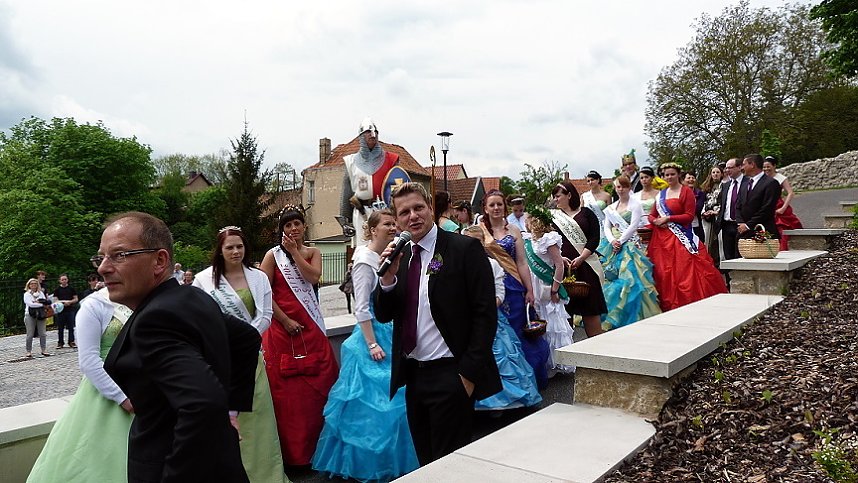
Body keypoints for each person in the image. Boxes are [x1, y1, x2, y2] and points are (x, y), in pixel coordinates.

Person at [99, 211, 261, 483]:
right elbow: (247, 338)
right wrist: (231, 414)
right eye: (101, 257)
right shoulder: (191, 297)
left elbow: (203, 405)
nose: (103, 267)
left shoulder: (155, 319)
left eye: (119, 255)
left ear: (159, 260)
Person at [376, 182, 501, 466]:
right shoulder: (401, 255)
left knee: (448, 467)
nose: (413, 216)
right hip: (414, 378)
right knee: (426, 464)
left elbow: (485, 315)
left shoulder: (463, 248)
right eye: (404, 212)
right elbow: (384, 314)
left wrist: (467, 375)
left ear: (431, 208)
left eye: (418, 208)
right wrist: (387, 280)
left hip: (451, 375)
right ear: (397, 220)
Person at [313, 210, 419, 481]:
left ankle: (394, 459)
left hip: (388, 329)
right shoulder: (363, 261)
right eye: (387, 224)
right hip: (372, 335)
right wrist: (372, 344)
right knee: (377, 403)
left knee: (394, 399)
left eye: (394, 223)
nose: (393, 227)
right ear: (372, 230)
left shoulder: (389, 254)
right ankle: (367, 464)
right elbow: (361, 308)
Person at [193, 226, 289, 483]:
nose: (235, 251)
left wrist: (246, 338)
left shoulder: (258, 278)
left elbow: (267, 315)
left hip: (251, 358)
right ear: (220, 250)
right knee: (224, 420)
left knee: (257, 420)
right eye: (229, 247)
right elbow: (200, 319)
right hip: (219, 359)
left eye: (239, 246)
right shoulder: (203, 281)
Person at [27, 289, 134, 482]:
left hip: (141, 388)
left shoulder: (143, 298)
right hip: (106, 392)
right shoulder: (95, 304)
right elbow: (88, 362)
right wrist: (122, 398)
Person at [261, 206, 339, 468]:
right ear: (281, 229)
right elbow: (263, 293)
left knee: (322, 383)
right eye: (287, 225)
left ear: (304, 226)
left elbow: (313, 277)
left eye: (297, 224)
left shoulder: (312, 252)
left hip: (311, 326)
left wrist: (294, 252)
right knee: (288, 396)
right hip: (282, 330)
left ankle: (320, 450)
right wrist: (284, 320)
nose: (293, 229)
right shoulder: (272, 256)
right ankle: (294, 456)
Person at [463, 225, 542, 410]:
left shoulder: (493, 264)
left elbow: (499, 292)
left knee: (503, 356)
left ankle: (504, 403)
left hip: (491, 318)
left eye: (477, 242)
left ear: (484, 243)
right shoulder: (459, 264)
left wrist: (483, 309)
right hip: (467, 319)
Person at [479, 189, 549, 389]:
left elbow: (522, 262)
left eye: (499, 204)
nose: (496, 208)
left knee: (520, 332)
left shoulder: (514, 231)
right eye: (491, 205)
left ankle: (527, 381)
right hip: (491, 287)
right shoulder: (480, 231)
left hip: (514, 287)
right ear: (485, 208)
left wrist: (529, 290)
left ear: (505, 206)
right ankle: (504, 386)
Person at [647, 163, 727, 311]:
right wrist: (655, 221)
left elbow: (689, 216)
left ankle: (692, 304)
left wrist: (668, 218)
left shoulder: (686, 192)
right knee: (664, 273)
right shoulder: (661, 195)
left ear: (678, 175)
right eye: (666, 175)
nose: (669, 177)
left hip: (682, 238)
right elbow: (651, 215)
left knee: (685, 271)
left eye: (672, 174)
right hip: (662, 241)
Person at [597, 176, 661, 330]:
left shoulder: (636, 205)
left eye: (623, 187)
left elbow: (633, 225)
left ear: (628, 188)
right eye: (618, 187)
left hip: (629, 245)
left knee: (631, 279)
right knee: (608, 278)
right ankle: (610, 313)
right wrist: (613, 240)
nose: (620, 190)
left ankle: (632, 314)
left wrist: (621, 241)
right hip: (612, 244)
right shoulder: (612, 207)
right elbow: (606, 226)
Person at [521, 206, 575, 374]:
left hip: (546, 285)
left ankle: (558, 362)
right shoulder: (529, 239)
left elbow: (559, 265)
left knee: (552, 322)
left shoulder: (548, 239)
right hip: (533, 284)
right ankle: (544, 362)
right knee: (538, 320)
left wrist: (554, 289)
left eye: (528, 219)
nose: (525, 222)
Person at [551, 181, 608, 337]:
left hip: (587, 266)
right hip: (563, 269)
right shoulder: (553, 217)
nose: (555, 200)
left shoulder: (586, 213)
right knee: (565, 315)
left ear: (569, 195)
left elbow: (594, 238)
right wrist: (559, 258)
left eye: (558, 196)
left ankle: (596, 354)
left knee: (591, 310)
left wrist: (582, 257)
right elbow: (547, 241)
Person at [341, 117, 409, 246]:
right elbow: (346, 194)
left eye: (375, 132)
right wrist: (345, 221)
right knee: (364, 249)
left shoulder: (391, 159)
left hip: (386, 211)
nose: (372, 135)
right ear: (361, 136)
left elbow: (399, 187)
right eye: (368, 132)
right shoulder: (351, 162)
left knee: (389, 247)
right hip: (362, 214)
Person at [736, 154, 782, 242]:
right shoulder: (745, 184)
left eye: (744, 164)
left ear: (752, 165)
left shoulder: (771, 183)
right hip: (743, 234)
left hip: (762, 233)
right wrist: (741, 223)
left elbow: (767, 209)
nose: (742, 168)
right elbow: (738, 205)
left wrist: (748, 225)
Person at [763, 156, 803, 250]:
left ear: (774, 166)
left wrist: (783, 208)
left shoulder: (780, 178)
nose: (766, 169)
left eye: (768, 166)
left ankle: (782, 249)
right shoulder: (762, 178)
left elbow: (790, 193)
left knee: (782, 228)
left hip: (778, 205)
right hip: (766, 205)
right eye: (764, 167)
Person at [717, 158, 745, 262]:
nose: (727, 170)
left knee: (739, 256)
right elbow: (724, 205)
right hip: (726, 225)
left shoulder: (748, 183)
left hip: (741, 225)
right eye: (726, 168)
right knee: (728, 256)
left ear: (739, 167)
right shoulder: (725, 185)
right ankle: (729, 278)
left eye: (730, 168)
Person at [700, 164, 725, 265]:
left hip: (718, 215)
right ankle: (707, 262)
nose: (715, 174)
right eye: (713, 172)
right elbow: (703, 201)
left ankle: (722, 262)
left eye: (717, 172)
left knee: (720, 239)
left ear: (721, 174)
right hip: (707, 216)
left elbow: (724, 202)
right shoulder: (707, 188)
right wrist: (704, 212)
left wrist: (717, 212)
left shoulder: (724, 186)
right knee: (707, 239)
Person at [22, 279, 51, 358]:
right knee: (30, 334)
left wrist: (39, 303)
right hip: (30, 315)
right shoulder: (27, 294)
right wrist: (41, 304)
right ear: (29, 285)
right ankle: (28, 351)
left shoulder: (40, 293)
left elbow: (45, 301)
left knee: (42, 333)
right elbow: (31, 304)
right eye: (32, 284)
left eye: (35, 283)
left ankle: (43, 349)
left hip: (41, 314)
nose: (34, 285)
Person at [581, 170, 611, 239]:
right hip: (589, 227)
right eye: (588, 181)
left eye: (592, 180)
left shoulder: (607, 196)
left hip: (603, 227)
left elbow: (610, 215)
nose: (590, 182)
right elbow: (582, 214)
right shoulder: (584, 196)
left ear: (598, 180)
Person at [52, 273, 79, 349]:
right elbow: (55, 300)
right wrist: (62, 303)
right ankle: (60, 342)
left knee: (71, 327)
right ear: (59, 281)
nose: (64, 281)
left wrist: (70, 302)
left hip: (70, 309)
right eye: (62, 279)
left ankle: (71, 341)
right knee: (60, 327)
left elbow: (76, 298)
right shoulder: (57, 290)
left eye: (65, 279)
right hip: (61, 310)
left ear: (67, 280)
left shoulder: (71, 289)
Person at [683, 171, 706, 241]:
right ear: (683, 180)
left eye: (693, 178)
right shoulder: (679, 193)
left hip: (696, 225)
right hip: (682, 226)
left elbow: (698, 209)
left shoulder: (700, 194)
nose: (691, 179)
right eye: (688, 178)